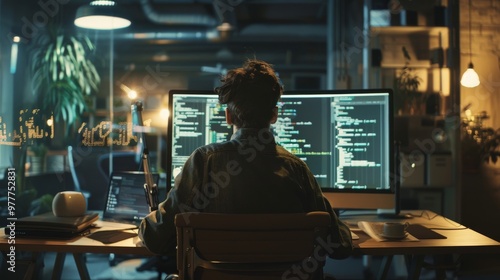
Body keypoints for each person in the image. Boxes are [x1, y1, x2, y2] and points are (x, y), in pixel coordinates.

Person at [138, 59, 353, 272]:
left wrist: (146, 223)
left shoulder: (203, 162)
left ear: (228, 116)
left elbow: (156, 239)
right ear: (274, 115)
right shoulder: (296, 169)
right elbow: (340, 246)